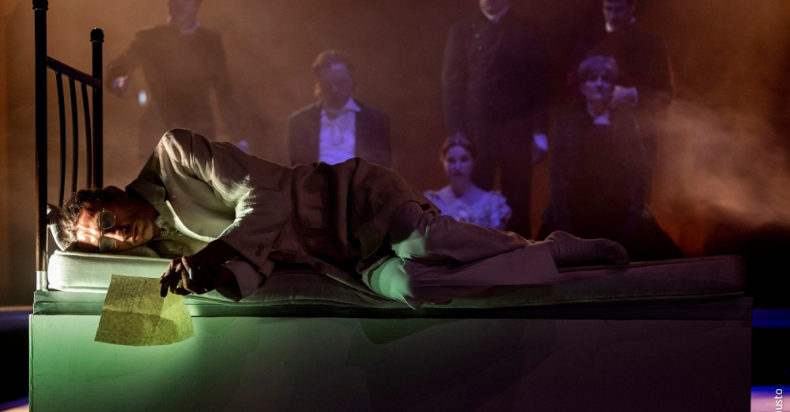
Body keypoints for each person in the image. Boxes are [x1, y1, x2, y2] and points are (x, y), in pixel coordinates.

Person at [57, 129, 629, 308]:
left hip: (346, 199)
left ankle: (550, 247)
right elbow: (249, 275)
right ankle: (545, 255)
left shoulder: (176, 153)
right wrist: (215, 281)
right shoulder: (162, 259)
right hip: (340, 260)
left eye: (105, 221)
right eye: (104, 245)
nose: (116, 237)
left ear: (114, 194)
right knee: (412, 285)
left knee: (424, 240)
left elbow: (267, 202)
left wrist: (214, 255)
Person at [542, 56, 682, 262]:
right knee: (543, 257)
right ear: (582, 87)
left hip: (619, 210)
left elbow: (639, 173)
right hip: (577, 210)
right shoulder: (566, 126)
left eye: (605, 79)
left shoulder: (627, 124)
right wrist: (563, 219)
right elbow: (556, 175)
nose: (599, 84)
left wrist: (634, 216)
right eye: (592, 79)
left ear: (613, 86)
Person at [442, 0, 550, 238]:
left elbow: (540, 84)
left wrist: (540, 131)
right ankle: (475, 255)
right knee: (474, 202)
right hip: (476, 132)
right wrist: (457, 132)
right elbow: (453, 87)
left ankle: (519, 254)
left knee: (518, 202)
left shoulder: (527, 31)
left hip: (517, 130)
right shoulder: (462, 31)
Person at [107, 0, 245, 158]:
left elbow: (225, 92)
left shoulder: (211, 41)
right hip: (158, 132)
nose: (180, 4)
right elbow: (118, 66)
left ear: (197, 4)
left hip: (199, 133)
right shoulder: (150, 38)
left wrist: (239, 138)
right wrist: (118, 81)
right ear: (167, 3)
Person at [567, 0, 674, 172]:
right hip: (593, 144)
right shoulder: (588, 42)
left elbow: (665, 94)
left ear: (632, 7)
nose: (613, 16)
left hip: (637, 143)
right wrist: (594, 97)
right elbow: (572, 87)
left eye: (619, 10)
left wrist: (633, 94)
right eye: (608, 9)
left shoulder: (652, 44)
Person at [288, 50, 391, 167]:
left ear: (352, 81)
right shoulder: (299, 122)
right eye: (327, 84)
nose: (334, 89)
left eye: (340, 82)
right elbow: (298, 170)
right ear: (318, 83)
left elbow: (382, 168)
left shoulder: (375, 121)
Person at [424, 135, 511, 231]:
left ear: (473, 161)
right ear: (443, 162)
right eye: (451, 160)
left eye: (464, 159)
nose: (457, 166)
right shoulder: (432, 201)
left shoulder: (492, 204)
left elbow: (496, 239)